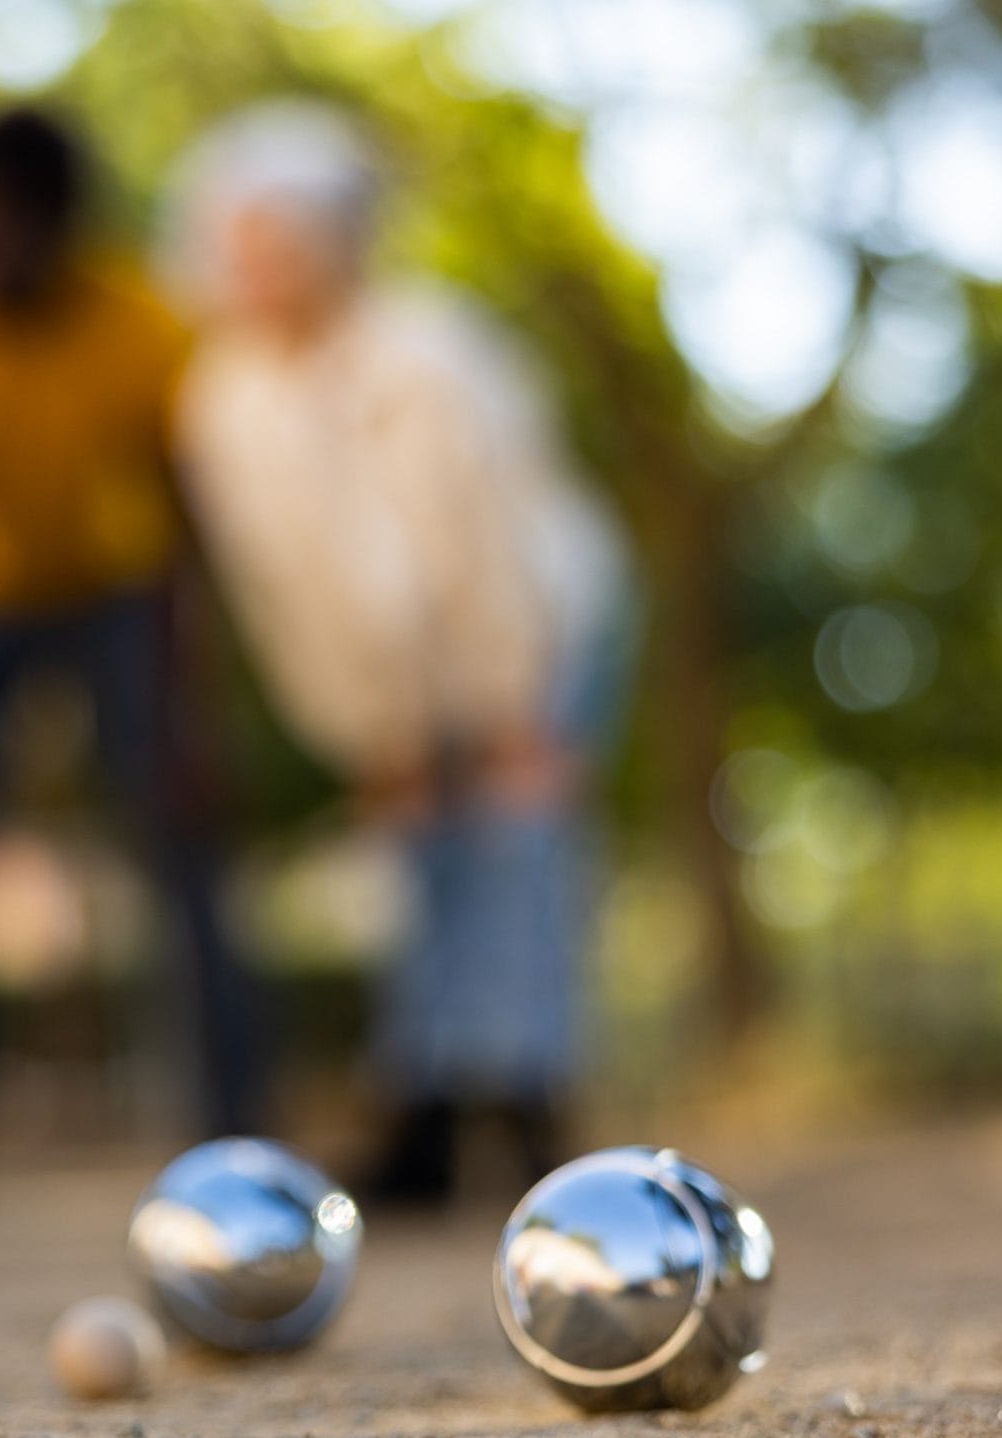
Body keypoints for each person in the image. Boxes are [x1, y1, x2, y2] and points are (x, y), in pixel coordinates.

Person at [169, 103, 638, 1206]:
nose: (255, 270)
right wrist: (372, 733)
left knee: (517, 852)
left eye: (278, 243)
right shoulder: (219, 400)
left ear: (335, 242)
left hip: (544, 620)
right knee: (417, 860)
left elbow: (479, 548)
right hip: (396, 673)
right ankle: (423, 1117)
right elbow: (282, 598)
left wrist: (517, 711)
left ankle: (532, 1115)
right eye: (237, 243)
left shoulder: (430, 351)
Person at [0, 107, 266, 1226]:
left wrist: (186, 721)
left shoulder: (138, 326)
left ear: (64, 227)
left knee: (187, 854)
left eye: (19, 221)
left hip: (107, 602)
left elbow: (185, 532)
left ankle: (236, 1145)